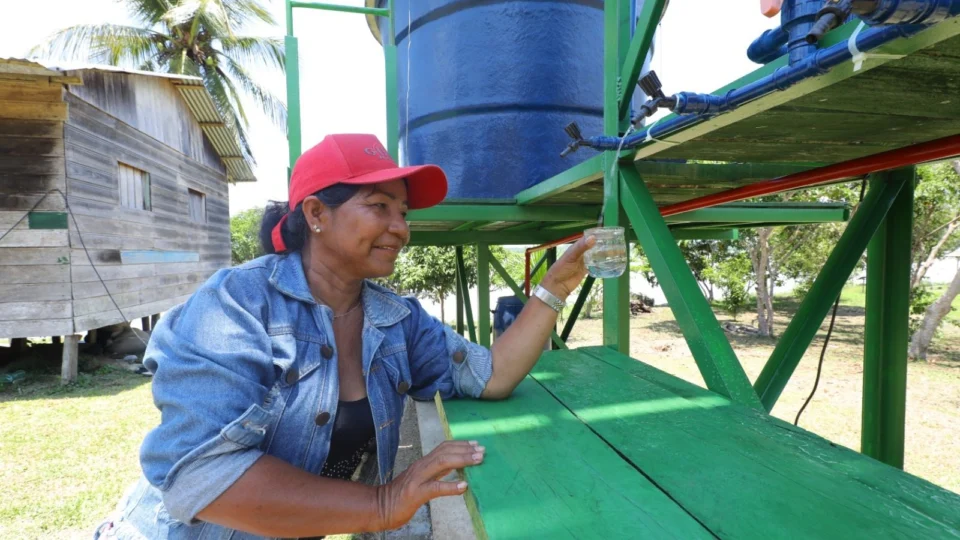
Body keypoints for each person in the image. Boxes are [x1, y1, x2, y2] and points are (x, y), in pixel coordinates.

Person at [94, 133, 596, 539]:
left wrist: (552, 288)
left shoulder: (396, 318)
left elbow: (492, 376)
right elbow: (201, 476)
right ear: (316, 214)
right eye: (379, 206)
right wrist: (382, 503)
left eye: (404, 212)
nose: (401, 228)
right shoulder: (236, 304)